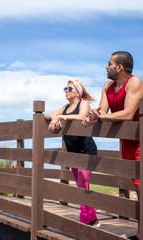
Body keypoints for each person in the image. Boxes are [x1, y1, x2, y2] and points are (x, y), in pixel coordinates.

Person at [83, 51, 143, 240]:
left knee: (142, 185)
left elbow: (127, 114)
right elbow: (103, 112)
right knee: (135, 187)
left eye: (109, 63)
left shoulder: (135, 82)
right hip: (126, 141)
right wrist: (92, 116)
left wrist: (101, 116)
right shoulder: (107, 86)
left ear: (119, 67)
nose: (105, 66)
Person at [45, 79, 100, 228]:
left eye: (69, 88)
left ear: (78, 91)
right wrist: (56, 117)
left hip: (86, 151)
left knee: (82, 183)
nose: (66, 91)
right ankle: (93, 218)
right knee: (81, 186)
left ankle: (84, 220)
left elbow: (82, 117)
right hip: (72, 152)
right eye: (65, 88)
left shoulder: (83, 104)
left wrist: (61, 117)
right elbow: (47, 115)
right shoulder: (65, 107)